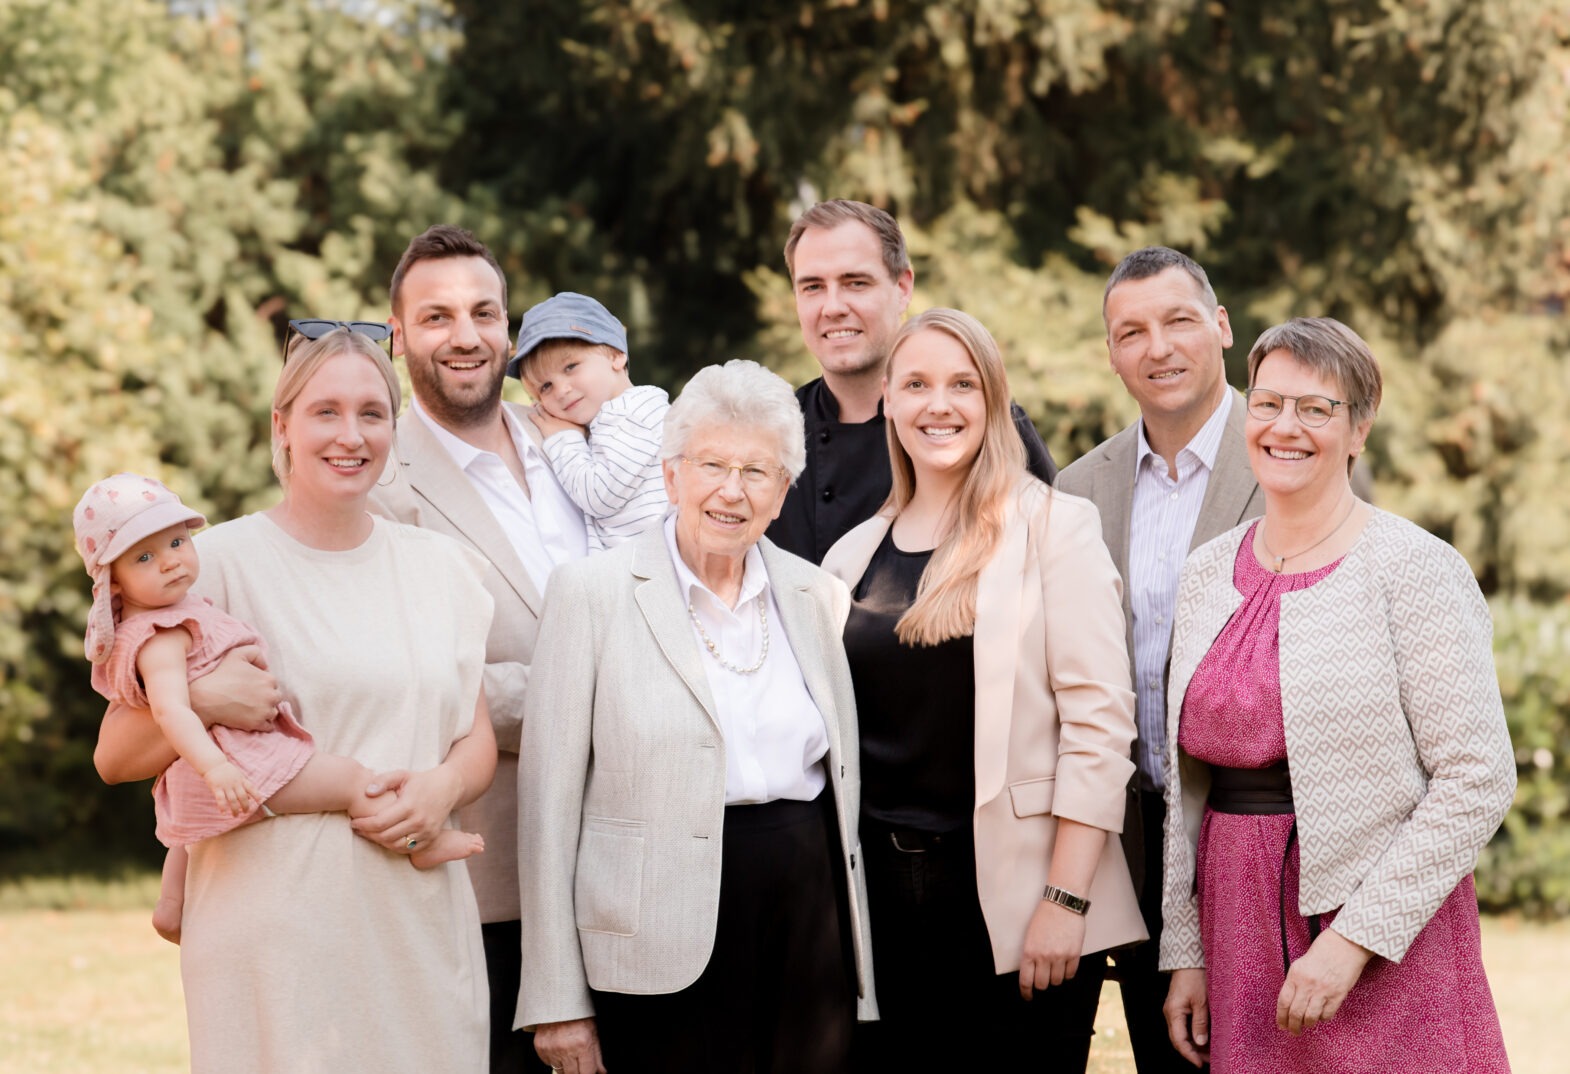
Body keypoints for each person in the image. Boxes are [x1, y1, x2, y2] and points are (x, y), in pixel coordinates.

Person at [93, 327, 499, 1072]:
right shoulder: (207, 567)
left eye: (373, 413)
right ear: (282, 425)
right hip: (273, 943)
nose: (351, 436)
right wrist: (206, 698)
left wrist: (442, 788)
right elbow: (114, 757)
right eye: (326, 412)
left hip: (418, 930)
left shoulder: (442, 568)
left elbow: (472, 741)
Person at [1160, 317, 1513, 1072]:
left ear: (1359, 430)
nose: (1285, 427)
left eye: (1316, 409)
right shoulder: (1206, 573)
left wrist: (1353, 941)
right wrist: (1185, 950)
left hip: (1382, 934)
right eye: (1267, 403)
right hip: (1236, 920)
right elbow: (1185, 791)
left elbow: (1478, 779)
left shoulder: (1413, 568)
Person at [517, 360, 874, 1074]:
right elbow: (547, 806)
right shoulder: (592, 595)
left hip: (807, 921)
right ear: (672, 474)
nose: (731, 491)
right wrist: (557, 995)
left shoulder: (812, 594)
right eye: (712, 464)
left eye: (757, 471)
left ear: (782, 493)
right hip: (653, 941)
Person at [823, 308, 1143, 1070]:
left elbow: (1099, 730)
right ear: (889, 404)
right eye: (918, 384)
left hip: (1014, 904)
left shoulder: (1054, 527)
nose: (941, 404)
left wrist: (1065, 904)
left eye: (963, 384)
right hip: (880, 913)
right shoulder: (849, 556)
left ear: (993, 400)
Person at [74, 472, 482, 939]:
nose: (169, 563)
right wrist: (215, 769)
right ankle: (416, 841)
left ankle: (170, 906)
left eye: (176, 542)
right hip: (235, 759)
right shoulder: (160, 636)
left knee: (188, 836)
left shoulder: (175, 610)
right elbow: (170, 711)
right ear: (115, 585)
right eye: (144, 557)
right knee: (352, 781)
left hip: (218, 762)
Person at [370, 225, 589, 1074]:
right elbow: (414, 682)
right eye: (436, 317)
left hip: (632, 869)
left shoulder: (580, 438)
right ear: (398, 339)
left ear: (509, 328)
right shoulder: (380, 486)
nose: (464, 335)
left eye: (483, 312)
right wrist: (605, 694)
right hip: (499, 882)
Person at [1054, 246, 1262, 1072]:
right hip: (1115, 837)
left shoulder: (1288, 453)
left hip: (1242, 834)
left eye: (1178, 321)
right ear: (1111, 353)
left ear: (1219, 325)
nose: (1158, 348)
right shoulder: (1076, 488)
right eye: (1131, 332)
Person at [767, 199, 1057, 564]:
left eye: (855, 283)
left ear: (903, 287)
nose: (833, 306)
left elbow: (1051, 561)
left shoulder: (980, 424)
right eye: (812, 287)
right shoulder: (769, 437)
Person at [507, 290, 670, 549]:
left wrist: (564, 439)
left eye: (570, 367)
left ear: (616, 355)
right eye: (546, 387)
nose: (561, 390)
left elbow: (599, 496)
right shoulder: (610, 420)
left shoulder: (637, 413)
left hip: (657, 570)